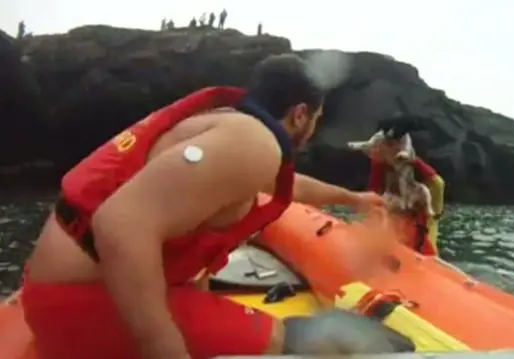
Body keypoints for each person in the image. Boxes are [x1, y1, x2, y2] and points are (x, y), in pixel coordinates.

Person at [21, 53, 386, 359]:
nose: (313, 132)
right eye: (316, 121)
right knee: (322, 339)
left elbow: (289, 186)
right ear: (300, 113)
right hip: (80, 306)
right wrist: (163, 346)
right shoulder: (252, 142)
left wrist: (352, 199)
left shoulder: (225, 130)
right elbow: (120, 224)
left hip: (61, 293)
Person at [366, 132, 445, 256]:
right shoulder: (383, 170)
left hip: (419, 245)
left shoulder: (425, 199)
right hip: (396, 230)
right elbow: (373, 194)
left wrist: (413, 161)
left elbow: (437, 184)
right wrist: (377, 161)